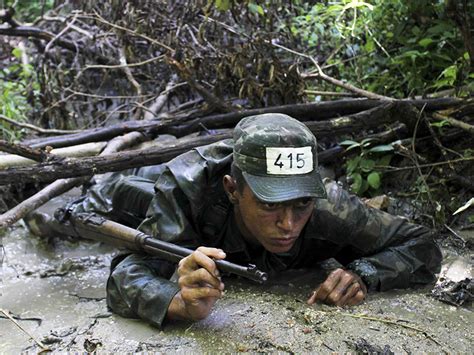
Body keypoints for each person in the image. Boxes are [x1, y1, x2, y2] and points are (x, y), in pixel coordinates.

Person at [52, 113, 441, 327]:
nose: (288, 224)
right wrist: (175, 301)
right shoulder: (188, 191)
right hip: (153, 190)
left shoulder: (328, 205)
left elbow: (421, 244)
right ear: (233, 189)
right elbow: (124, 276)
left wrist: (364, 273)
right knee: (106, 200)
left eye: (300, 205)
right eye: (270, 205)